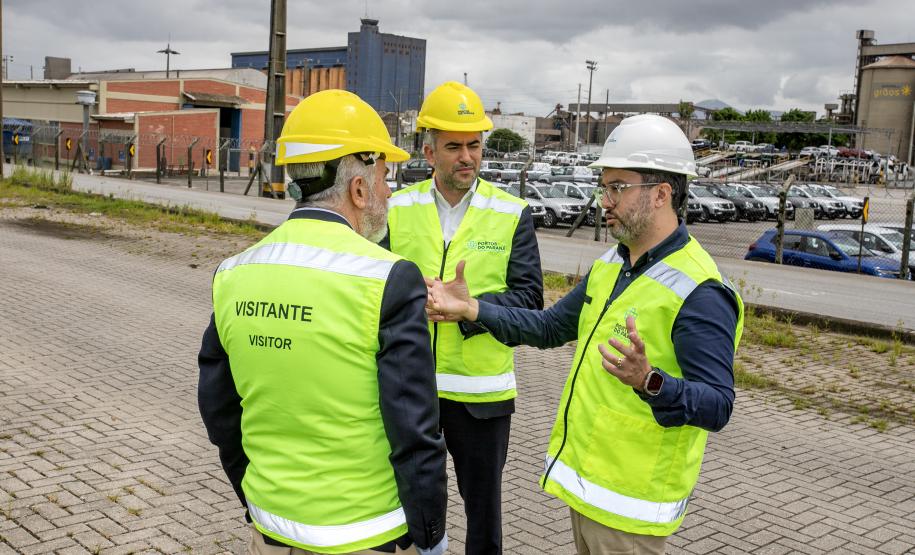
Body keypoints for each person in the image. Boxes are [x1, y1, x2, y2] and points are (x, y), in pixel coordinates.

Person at [426, 114, 744, 555]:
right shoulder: (613, 264)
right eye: (604, 187)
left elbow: (718, 405)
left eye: (617, 187)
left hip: (632, 509)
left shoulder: (700, 290)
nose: (604, 201)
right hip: (591, 493)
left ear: (661, 194)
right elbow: (549, 327)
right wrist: (472, 308)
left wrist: (650, 381)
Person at [198, 90, 448, 555]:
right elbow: (415, 431)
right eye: (383, 176)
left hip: (272, 528)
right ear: (358, 189)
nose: (389, 191)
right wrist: (430, 534)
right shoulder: (388, 279)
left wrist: (256, 498)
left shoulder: (234, 272)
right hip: (365, 533)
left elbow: (219, 411)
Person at [382, 81, 543, 554]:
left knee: (483, 516)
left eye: (474, 145)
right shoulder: (395, 208)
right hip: (411, 390)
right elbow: (372, 288)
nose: (467, 156)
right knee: (408, 505)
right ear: (429, 152)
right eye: (454, 146)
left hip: (481, 396)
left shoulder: (512, 213)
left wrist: (471, 310)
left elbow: (530, 301)